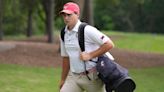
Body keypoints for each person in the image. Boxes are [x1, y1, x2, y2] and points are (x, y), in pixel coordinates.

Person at [59, 2, 114, 92]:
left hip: (92, 78)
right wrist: (62, 79)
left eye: (69, 15)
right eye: (64, 15)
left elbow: (109, 44)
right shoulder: (63, 33)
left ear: (77, 14)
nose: (66, 18)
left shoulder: (87, 30)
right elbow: (65, 58)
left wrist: (90, 55)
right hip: (73, 77)